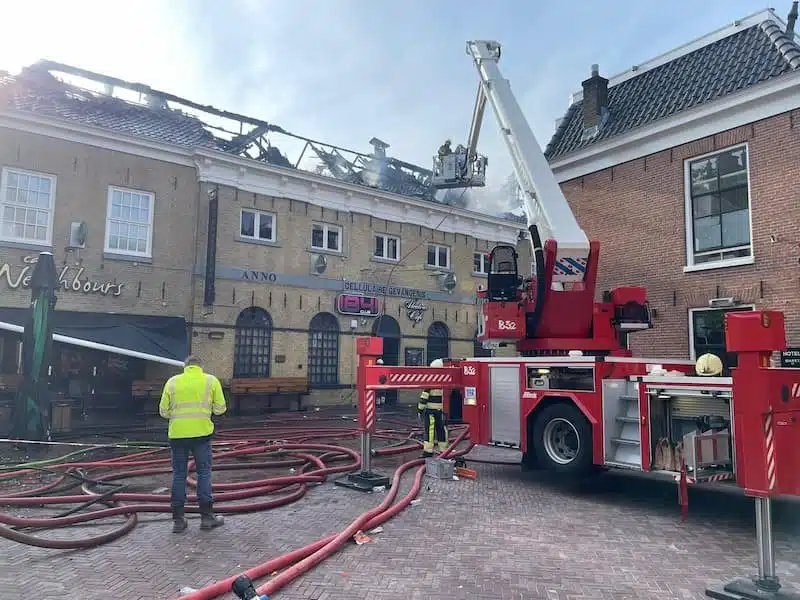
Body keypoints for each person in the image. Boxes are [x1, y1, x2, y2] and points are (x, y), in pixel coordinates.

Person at [159, 355, 227, 533]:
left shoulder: (172, 382)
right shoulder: (211, 381)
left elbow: (163, 412)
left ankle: (178, 520)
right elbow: (220, 409)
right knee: (204, 473)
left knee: (179, 474)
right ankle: (207, 518)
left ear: (185, 366)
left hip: (177, 435)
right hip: (201, 435)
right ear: (200, 366)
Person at [418, 358, 449, 458]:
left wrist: (420, 409)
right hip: (441, 411)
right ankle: (443, 451)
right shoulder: (446, 379)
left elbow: (424, 396)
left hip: (430, 411)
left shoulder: (431, 380)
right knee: (442, 430)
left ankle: (428, 451)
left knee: (430, 431)